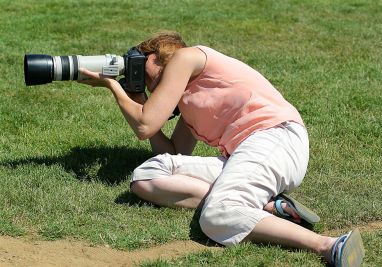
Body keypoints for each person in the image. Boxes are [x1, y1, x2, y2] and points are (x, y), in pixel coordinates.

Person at [79, 31, 365, 266]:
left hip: (275, 139)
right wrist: (138, 96)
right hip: (247, 152)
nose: (141, 74)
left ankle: (328, 245)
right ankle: (269, 207)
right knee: (147, 175)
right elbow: (172, 151)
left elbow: (144, 125)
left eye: (142, 65)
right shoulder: (189, 102)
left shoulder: (185, 56)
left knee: (216, 218)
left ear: (159, 54)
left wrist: (111, 86)